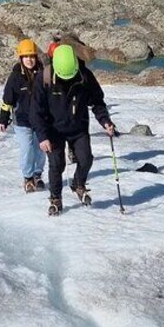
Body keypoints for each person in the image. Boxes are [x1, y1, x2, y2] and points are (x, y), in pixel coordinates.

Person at [30, 44, 116, 216]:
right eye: (64, 76)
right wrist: (42, 136)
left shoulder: (84, 76)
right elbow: (36, 111)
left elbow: (97, 101)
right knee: (57, 164)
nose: (67, 79)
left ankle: (78, 183)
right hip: (53, 130)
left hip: (78, 127)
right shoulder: (44, 78)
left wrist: (105, 121)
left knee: (86, 160)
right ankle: (55, 198)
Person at [0, 39, 46, 193]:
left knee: (40, 149)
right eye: (26, 57)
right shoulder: (15, 77)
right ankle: (28, 177)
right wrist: (3, 119)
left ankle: (38, 175)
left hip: (41, 120)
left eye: (32, 56)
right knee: (27, 149)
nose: (29, 60)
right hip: (22, 121)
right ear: (20, 58)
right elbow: (7, 100)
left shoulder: (43, 74)